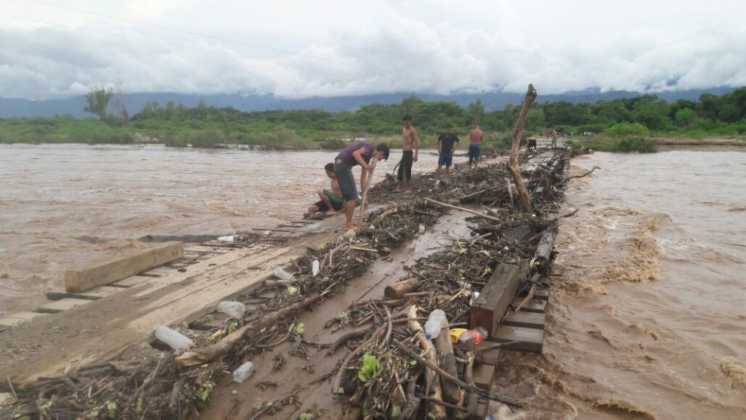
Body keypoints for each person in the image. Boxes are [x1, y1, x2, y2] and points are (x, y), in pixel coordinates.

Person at [334, 142, 390, 230]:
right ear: (381, 152)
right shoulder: (369, 148)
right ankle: (348, 224)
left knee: (348, 196)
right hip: (342, 165)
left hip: (342, 165)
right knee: (352, 197)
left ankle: (348, 222)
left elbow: (363, 179)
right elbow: (355, 154)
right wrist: (367, 167)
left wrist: (364, 197)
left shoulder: (367, 158)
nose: (380, 160)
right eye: (382, 158)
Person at [397, 115, 419, 190]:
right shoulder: (403, 129)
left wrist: (416, 155)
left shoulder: (412, 130)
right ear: (404, 122)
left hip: (409, 151)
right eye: (405, 122)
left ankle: (408, 185)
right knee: (401, 168)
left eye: (408, 122)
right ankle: (400, 184)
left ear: (410, 121)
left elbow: (417, 142)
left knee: (407, 168)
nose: (407, 123)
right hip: (404, 151)